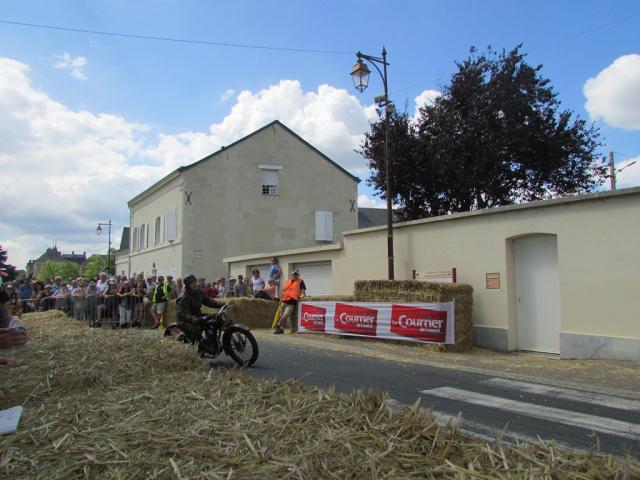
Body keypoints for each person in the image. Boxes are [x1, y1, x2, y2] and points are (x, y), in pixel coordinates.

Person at [176, 274, 224, 341]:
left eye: (195, 282)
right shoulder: (183, 298)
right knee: (196, 329)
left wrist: (221, 304)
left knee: (215, 319)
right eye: (192, 283)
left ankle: (212, 339)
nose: (195, 284)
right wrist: (192, 318)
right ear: (188, 285)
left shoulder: (198, 292)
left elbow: (208, 301)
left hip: (197, 315)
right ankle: (194, 345)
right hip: (185, 320)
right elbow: (183, 313)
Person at [274, 270, 306, 334]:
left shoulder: (300, 281)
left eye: (296, 274)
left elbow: (303, 291)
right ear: (291, 275)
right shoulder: (287, 281)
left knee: (285, 315)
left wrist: (304, 297)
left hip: (291, 302)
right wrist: (280, 299)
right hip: (284, 301)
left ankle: (278, 325)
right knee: (282, 316)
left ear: (298, 275)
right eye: (294, 274)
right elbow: (283, 291)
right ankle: (281, 329)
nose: (294, 275)